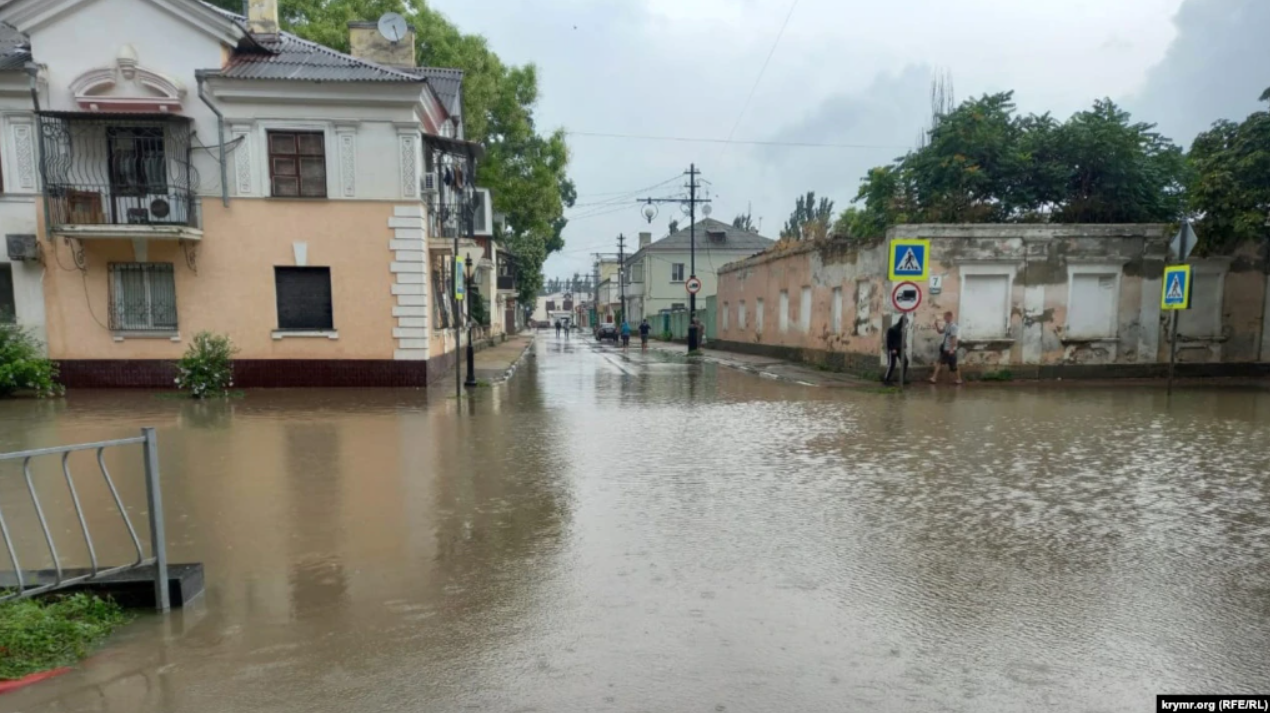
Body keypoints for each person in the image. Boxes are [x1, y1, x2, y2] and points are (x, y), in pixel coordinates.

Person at [930, 310, 962, 385]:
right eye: (944, 317)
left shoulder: (953, 327)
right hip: (945, 349)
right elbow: (940, 332)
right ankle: (933, 378)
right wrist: (937, 326)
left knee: (954, 366)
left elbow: (954, 338)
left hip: (950, 350)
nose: (944, 318)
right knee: (939, 362)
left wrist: (951, 349)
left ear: (949, 317)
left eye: (945, 317)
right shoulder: (947, 325)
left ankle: (959, 379)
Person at [883, 314, 908, 386]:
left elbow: (901, 338)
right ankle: (886, 379)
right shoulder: (892, 329)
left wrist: (904, 343)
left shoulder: (902, 330)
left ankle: (902, 379)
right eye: (905, 323)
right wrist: (892, 349)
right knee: (891, 365)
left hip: (899, 348)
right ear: (901, 322)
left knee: (905, 361)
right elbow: (888, 341)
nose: (905, 325)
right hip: (893, 349)